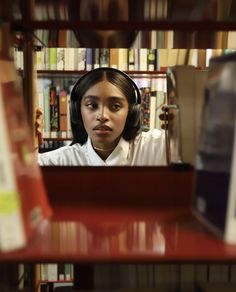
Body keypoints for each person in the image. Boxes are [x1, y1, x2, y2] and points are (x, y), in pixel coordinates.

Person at [37, 67, 167, 166]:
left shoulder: (157, 147)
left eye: (115, 106)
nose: (102, 116)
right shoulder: (62, 161)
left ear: (131, 112)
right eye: (92, 105)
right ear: (77, 111)